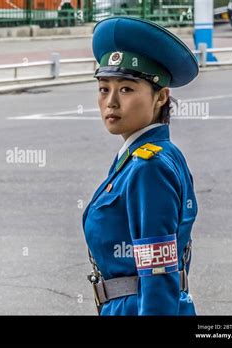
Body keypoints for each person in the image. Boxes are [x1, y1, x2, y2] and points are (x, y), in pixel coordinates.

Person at [82, 16, 199, 316]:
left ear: (161, 97)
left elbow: (158, 275)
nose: (111, 103)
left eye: (126, 90)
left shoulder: (150, 167)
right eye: (104, 88)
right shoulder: (143, 156)